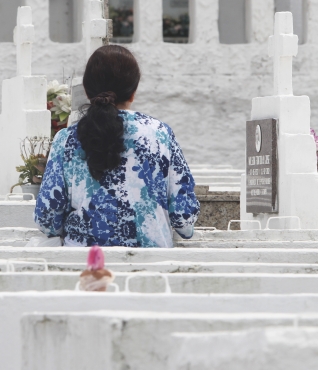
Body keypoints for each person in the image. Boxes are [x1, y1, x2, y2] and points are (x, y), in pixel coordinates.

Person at [34, 45, 199, 248]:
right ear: (133, 92)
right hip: (152, 268)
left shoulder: (65, 140)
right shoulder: (161, 135)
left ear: (87, 91)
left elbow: (47, 219)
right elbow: (184, 218)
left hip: (86, 268)